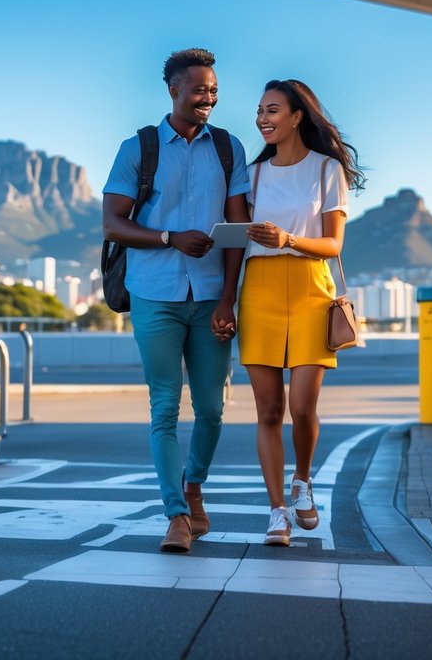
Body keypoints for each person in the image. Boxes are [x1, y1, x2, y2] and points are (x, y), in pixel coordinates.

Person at [102, 48, 250, 554]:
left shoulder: (229, 149)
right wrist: (169, 238)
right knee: (164, 407)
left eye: (213, 90)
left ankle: (194, 485)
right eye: (198, 89)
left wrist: (229, 299)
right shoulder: (138, 148)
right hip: (154, 295)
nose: (207, 98)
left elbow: (237, 234)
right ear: (173, 90)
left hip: (211, 298)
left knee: (211, 410)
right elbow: (113, 223)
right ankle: (177, 515)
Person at [237, 79, 365, 547]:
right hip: (259, 290)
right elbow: (237, 242)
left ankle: (303, 481)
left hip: (312, 286)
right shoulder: (250, 175)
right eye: (259, 111)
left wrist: (288, 239)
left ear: (296, 116)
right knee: (268, 409)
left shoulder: (327, 170)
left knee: (302, 407)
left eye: (272, 110)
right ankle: (276, 512)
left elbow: (333, 244)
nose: (262, 118)